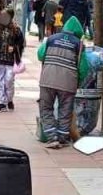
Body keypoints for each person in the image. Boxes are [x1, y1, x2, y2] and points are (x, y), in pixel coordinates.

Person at [37, 16, 90, 149]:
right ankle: (62, 137)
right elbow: (84, 68)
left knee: (46, 108)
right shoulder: (79, 44)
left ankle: (51, 137)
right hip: (68, 83)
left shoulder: (51, 39)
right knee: (65, 110)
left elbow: (40, 54)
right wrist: (79, 82)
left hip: (47, 80)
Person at [0, 8, 25, 112]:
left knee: (8, 81)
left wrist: (14, 48)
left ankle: (9, 99)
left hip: (11, 60)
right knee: (0, 81)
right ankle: (2, 103)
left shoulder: (16, 29)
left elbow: (22, 43)